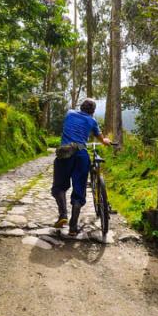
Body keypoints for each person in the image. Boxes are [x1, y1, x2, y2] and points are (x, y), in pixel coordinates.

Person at [51, 98, 111, 235]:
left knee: (59, 187)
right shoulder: (92, 121)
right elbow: (101, 139)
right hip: (81, 156)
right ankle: (73, 226)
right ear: (93, 111)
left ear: (81, 107)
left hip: (64, 153)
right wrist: (106, 141)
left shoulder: (70, 113)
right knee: (79, 190)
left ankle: (63, 215)